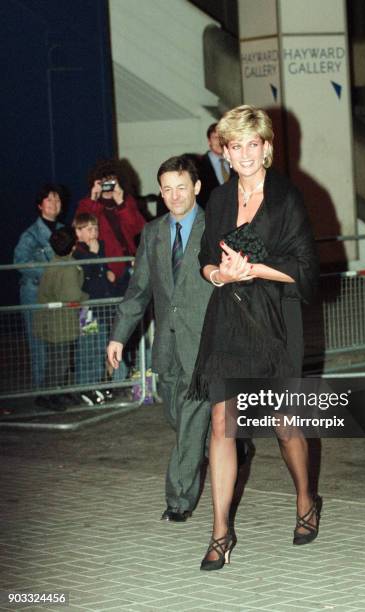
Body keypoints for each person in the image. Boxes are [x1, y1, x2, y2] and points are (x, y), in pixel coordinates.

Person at [189, 105, 319, 571]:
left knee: (285, 424)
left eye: (251, 144)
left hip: (277, 323)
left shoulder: (287, 199)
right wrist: (219, 275)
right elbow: (204, 258)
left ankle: (306, 499)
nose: (243, 153)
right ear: (223, 152)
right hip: (229, 320)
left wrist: (258, 269)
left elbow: (308, 271)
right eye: (233, 145)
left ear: (266, 148)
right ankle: (220, 530)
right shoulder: (220, 201)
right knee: (222, 424)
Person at [107, 155, 213, 522]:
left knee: (189, 420)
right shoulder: (152, 234)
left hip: (204, 344)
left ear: (196, 187)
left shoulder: (215, 225)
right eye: (166, 189)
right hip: (166, 347)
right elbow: (139, 292)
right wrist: (119, 336)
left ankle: (179, 499)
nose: (174, 196)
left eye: (181, 187)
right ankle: (217, 440)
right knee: (177, 414)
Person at [13, 184, 64, 398]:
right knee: (39, 346)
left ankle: (57, 388)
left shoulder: (63, 229)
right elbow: (20, 262)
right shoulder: (30, 235)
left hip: (57, 296)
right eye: (49, 200)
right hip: (35, 296)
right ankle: (41, 392)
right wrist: (49, 274)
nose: (54, 204)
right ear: (40, 205)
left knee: (58, 344)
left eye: (57, 200)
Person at [34, 227, 88, 411]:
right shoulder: (68, 268)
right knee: (60, 361)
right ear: (73, 245)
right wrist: (87, 297)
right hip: (60, 323)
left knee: (56, 360)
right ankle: (50, 395)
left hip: (53, 322)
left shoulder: (55, 264)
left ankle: (55, 391)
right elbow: (71, 296)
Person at [77, 159, 145, 296]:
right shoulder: (88, 204)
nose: (108, 186)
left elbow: (139, 228)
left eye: (111, 182)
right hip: (107, 267)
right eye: (104, 182)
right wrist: (93, 199)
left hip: (130, 264)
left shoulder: (126, 201)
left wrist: (121, 203)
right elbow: (84, 229)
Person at [73, 213, 116, 405]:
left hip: (101, 307)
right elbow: (89, 273)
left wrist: (105, 269)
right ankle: (85, 386)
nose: (94, 232)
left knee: (100, 347)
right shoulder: (79, 252)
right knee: (88, 349)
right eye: (89, 229)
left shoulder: (100, 246)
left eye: (96, 228)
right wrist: (94, 254)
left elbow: (102, 269)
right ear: (78, 232)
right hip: (87, 310)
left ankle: (98, 383)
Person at [196, 123, 233, 208]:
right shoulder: (198, 166)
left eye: (222, 138)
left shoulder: (237, 164)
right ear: (209, 141)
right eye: (215, 138)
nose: (219, 141)